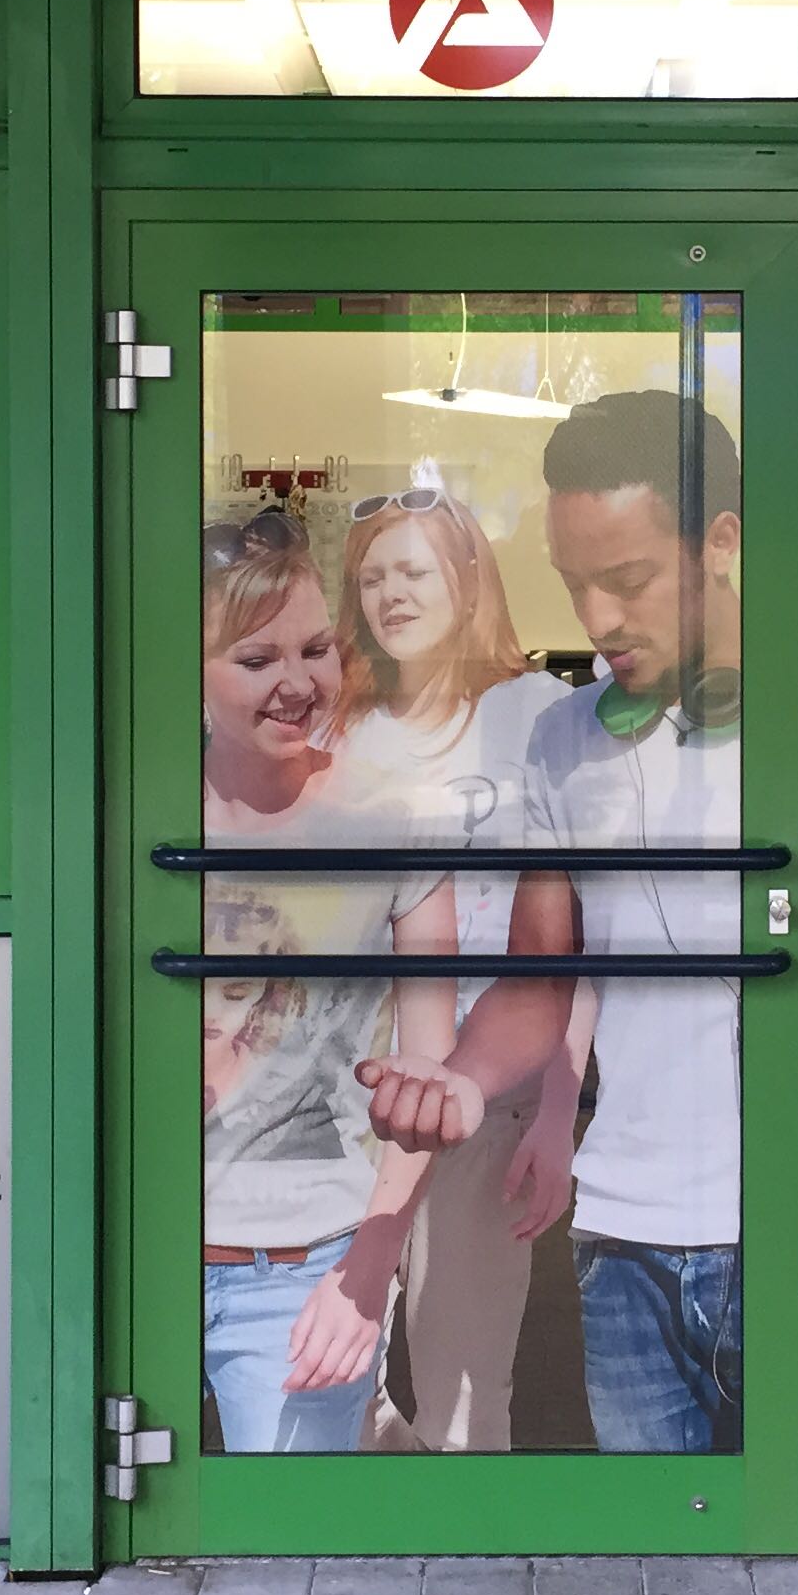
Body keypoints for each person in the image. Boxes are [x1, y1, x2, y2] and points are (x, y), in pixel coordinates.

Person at [357, 387, 749, 1453]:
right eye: (577, 587)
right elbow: (539, 977)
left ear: (721, 543)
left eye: (626, 581)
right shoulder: (564, 741)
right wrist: (465, 1082)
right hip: (624, 1240)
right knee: (661, 1570)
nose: (599, 622)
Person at [197, 508, 457, 1454]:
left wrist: (367, 1273)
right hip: (129, 1252)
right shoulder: (128, 825)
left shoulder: (398, 826)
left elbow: (428, 1070)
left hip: (303, 1277)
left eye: (314, 651)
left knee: (284, 1574)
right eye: (256, 660)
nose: (298, 684)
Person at [328, 483, 570, 1453]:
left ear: (467, 582)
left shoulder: (537, 714)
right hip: (349, 1099)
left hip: (484, 1094)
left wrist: (555, 1107)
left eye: (413, 570)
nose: (391, 593)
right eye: (372, 577)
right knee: (335, 1374)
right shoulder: (336, 730)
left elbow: (573, 938)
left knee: (468, 1399)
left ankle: (463, 1575)